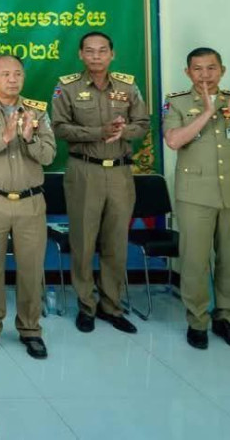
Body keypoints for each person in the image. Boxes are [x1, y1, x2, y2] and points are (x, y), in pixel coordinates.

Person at [163, 47, 230, 351]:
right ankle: (197, 322)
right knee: (195, 261)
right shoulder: (177, 102)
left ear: (222, 70)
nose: (205, 75)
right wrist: (207, 113)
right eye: (198, 69)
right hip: (195, 195)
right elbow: (174, 141)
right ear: (188, 72)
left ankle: (227, 319)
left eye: (211, 68)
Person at [51, 32, 149, 334]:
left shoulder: (127, 86)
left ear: (112, 54)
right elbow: (58, 128)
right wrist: (98, 132)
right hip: (84, 170)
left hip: (120, 173)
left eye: (102, 50)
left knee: (116, 243)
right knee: (83, 242)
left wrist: (124, 131)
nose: (96, 56)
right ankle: (86, 306)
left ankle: (112, 306)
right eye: (90, 51)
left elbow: (143, 124)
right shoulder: (66, 87)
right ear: (80, 54)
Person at [0, 54, 56, 359]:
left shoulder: (37, 111)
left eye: (18, 74)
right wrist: (4, 138)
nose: (13, 79)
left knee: (31, 269)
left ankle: (30, 329)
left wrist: (29, 139)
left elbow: (49, 156)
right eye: (6, 74)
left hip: (31, 202)